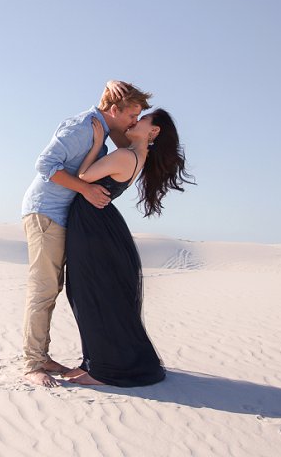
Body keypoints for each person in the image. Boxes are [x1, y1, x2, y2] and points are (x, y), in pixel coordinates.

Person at [20, 80, 153, 388]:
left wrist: (111, 83)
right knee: (43, 290)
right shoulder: (83, 126)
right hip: (46, 212)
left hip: (64, 216)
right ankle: (32, 363)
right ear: (115, 110)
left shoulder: (103, 129)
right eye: (132, 115)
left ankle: (42, 356)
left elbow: (128, 143)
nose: (134, 122)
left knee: (54, 288)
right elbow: (44, 164)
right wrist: (85, 189)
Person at [62, 108, 194, 387]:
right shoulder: (136, 155)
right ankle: (94, 362)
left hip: (93, 226)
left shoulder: (125, 156)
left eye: (142, 119)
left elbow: (83, 176)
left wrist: (96, 144)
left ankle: (105, 370)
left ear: (154, 131)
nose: (135, 121)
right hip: (97, 224)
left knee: (92, 294)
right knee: (91, 293)